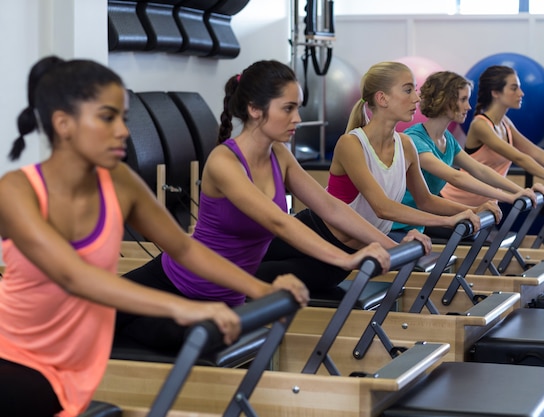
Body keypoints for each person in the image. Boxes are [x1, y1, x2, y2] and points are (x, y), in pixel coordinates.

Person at [0, 56, 309, 417]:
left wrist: (260, 290)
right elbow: (74, 276)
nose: (124, 131)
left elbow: (184, 248)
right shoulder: (17, 191)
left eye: (123, 118)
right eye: (107, 117)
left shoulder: (120, 183)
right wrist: (186, 307)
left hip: (80, 364)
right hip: (18, 357)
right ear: (63, 123)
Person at [118, 59, 416, 352]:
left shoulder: (280, 157)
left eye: (297, 108)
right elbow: (279, 222)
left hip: (227, 295)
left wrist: (391, 246)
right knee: (102, 323)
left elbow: (331, 207)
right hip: (177, 282)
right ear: (255, 109)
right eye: (288, 108)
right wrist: (345, 259)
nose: (297, 118)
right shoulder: (224, 161)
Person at [302, 61, 501, 245]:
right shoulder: (351, 144)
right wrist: (448, 221)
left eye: (414, 90)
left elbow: (425, 200)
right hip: (319, 238)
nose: (416, 98)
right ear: (382, 98)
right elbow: (382, 208)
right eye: (408, 90)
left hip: (362, 244)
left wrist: (473, 210)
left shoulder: (405, 144)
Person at [391, 70, 544, 235]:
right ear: (445, 101)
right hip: (396, 225)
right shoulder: (415, 140)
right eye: (463, 100)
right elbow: (455, 177)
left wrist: (519, 191)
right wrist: (509, 198)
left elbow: (479, 170)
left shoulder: (448, 140)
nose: (469, 106)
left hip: (417, 224)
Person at [441, 65, 544, 206]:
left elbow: (535, 152)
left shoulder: (505, 123)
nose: (521, 93)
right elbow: (520, 158)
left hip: (484, 204)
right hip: (454, 200)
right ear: (495, 93)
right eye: (514, 88)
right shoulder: (480, 125)